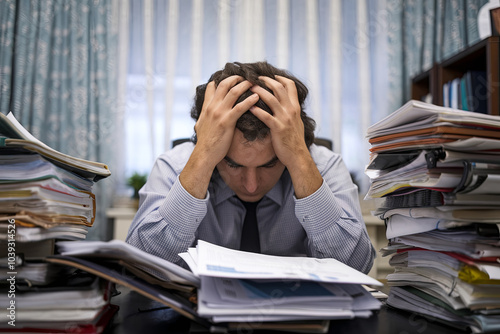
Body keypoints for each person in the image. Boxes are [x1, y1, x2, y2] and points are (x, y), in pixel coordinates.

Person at [126, 61, 375, 274]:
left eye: (269, 164)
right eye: (233, 164)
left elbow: (356, 266)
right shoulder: (174, 165)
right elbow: (141, 266)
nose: (251, 185)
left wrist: (299, 158)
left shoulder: (323, 165)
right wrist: (203, 156)